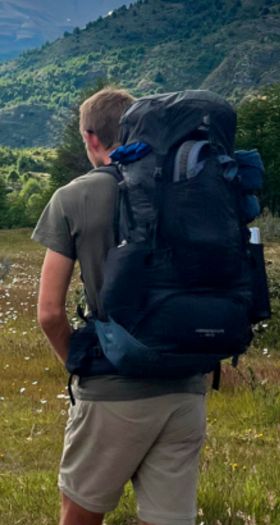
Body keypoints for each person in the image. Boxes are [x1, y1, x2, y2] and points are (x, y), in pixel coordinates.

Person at [34, 88, 209, 525]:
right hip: (185, 385)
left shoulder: (73, 197)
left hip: (113, 387)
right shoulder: (185, 186)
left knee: (80, 515)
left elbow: (50, 312)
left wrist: (76, 364)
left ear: (92, 138)